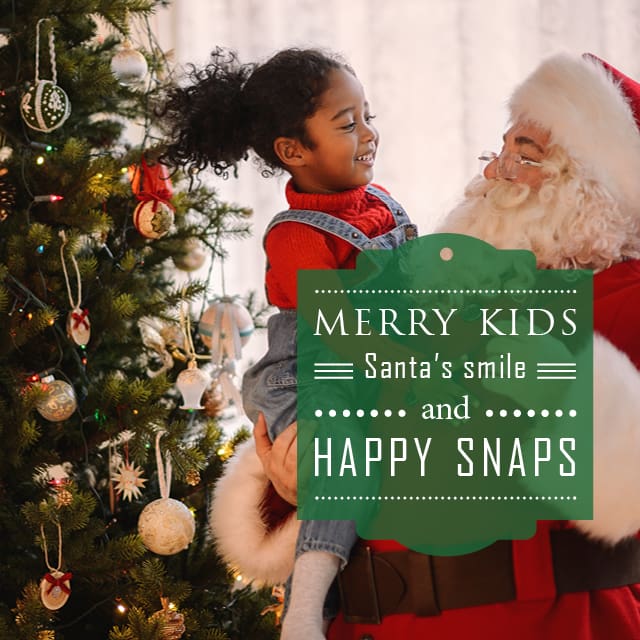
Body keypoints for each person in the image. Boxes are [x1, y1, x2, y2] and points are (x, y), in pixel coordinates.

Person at [229, 51, 640, 639]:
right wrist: (291, 468)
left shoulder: (628, 297)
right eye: (500, 148)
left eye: (525, 152)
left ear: (589, 184)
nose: (495, 170)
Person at [160, 47, 417, 639]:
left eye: (367, 115)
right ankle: (304, 609)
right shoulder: (298, 236)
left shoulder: (382, 209)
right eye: (348, 124)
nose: (369, 134)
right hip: (308, 371)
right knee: (342, 458)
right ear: (293, 151)